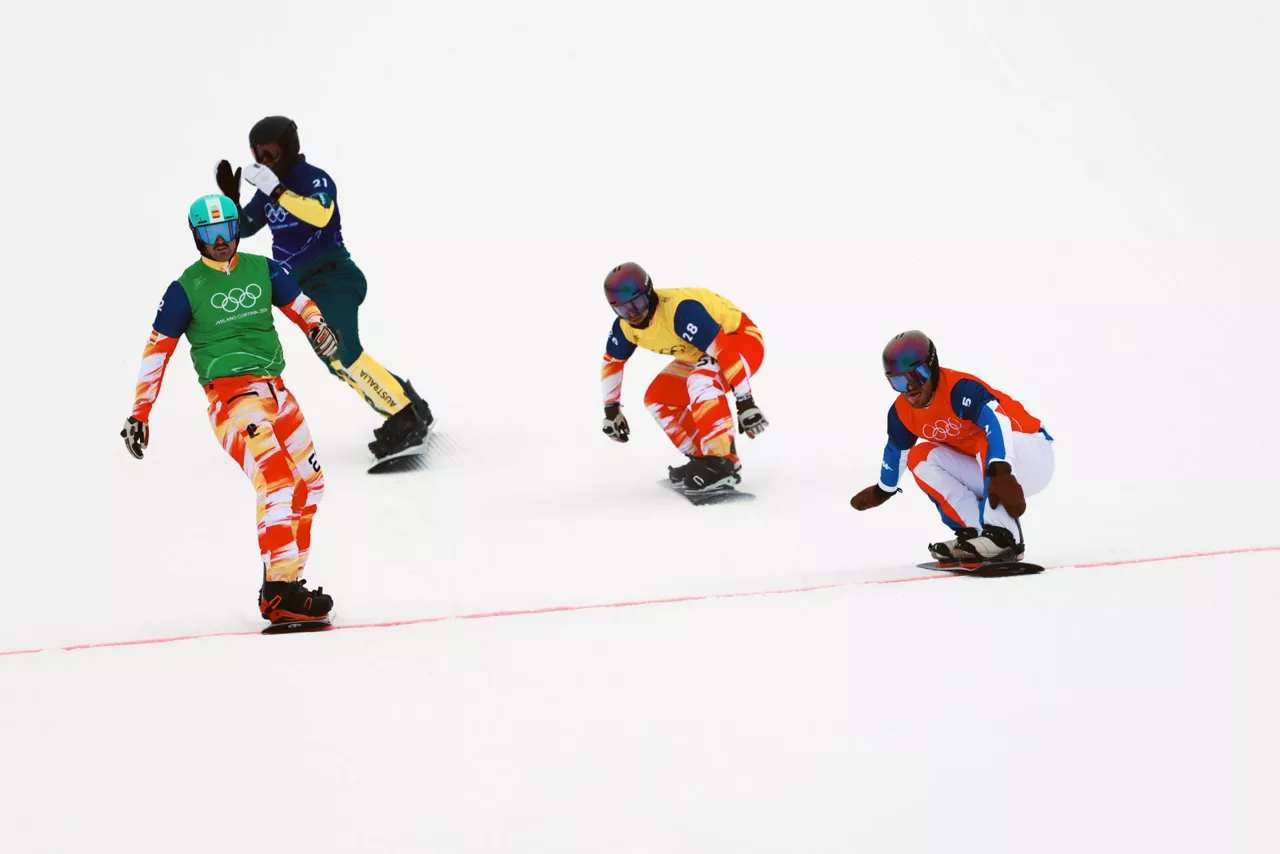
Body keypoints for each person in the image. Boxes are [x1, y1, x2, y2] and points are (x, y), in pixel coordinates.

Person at [120, 194, 340, 626]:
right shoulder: (186, 288)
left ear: (237, 228)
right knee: (275, 479)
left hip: (277, 392)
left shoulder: (263, 269)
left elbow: (302, 304)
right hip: (233, 399)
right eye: (208, 234)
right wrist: (140, 412)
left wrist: (317, 327)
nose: (220, 241)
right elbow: (156, 351)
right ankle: (279, 594)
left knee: (309, 485)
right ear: (195, 236)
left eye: (226, 231)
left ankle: (290, 584)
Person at [215, 115, 433, 464]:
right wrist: (230, 201)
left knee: (346, 351)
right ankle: (406, 405)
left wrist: (278, 191)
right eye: (258, 156)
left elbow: (320, 214)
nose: (265, 163)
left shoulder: (311, 179)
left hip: (334, 277)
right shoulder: (268, 191)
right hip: (305, 290)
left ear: (289, 149)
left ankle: (407, 418)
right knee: (336, 362)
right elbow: (244, 228)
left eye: (271, 153)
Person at [849, 330, 1055, 567]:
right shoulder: (901, 413)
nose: (910, 389)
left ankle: (1004, 537)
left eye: (917, 376)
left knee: (983, 440)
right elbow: (897, 453)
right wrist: (883, 490)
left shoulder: (960, 389)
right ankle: (974, 532)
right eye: (899, 382)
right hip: (987, 468)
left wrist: (1001, 467)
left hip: (1030, 452)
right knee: (920, 457)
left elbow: (997, 422)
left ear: (933, 367)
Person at [599, 262, 769, 491]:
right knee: (658, 398)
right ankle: (704, 459)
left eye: (638, 304)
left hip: (740, 340)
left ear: (649, 293)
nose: (633, 315)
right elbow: (612, 362)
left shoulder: (681, 312)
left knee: (702, 381)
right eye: (623, 310)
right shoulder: (625, 327)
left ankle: (722, 463)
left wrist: (745, 402)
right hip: (702, 351)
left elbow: (724, 350)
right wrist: (611, 411)